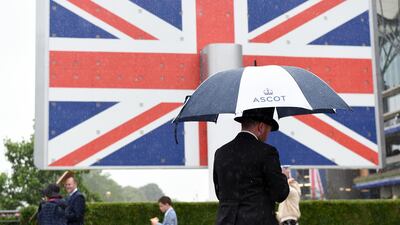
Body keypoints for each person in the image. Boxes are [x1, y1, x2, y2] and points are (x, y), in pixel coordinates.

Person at [213, 108, 289, 225]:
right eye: (268, 130)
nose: (267, 135)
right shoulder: (267, 152)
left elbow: (220, 193)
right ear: (261, 127)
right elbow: (280, 194)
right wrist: (283, 177)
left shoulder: (221, 153)